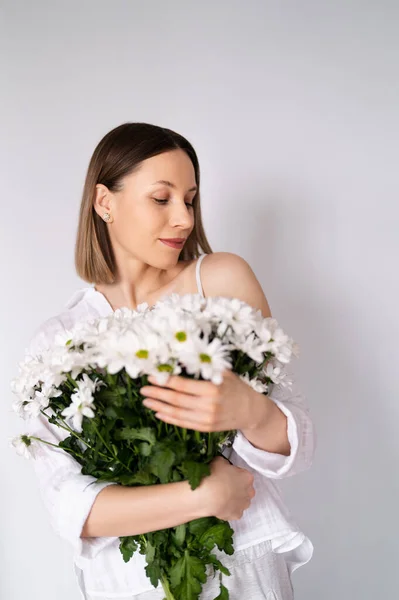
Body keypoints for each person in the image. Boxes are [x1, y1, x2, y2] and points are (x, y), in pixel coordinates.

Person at [24, 123, 315, 600]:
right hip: (129, 585)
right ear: (105, 203)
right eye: (161, 199)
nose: (183, 218)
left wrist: (249, 409)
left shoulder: (219, 281)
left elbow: (298, 443)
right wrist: (201, 496)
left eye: (190, 199)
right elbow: (71, 508)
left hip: (241, 566)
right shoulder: (59, 340)